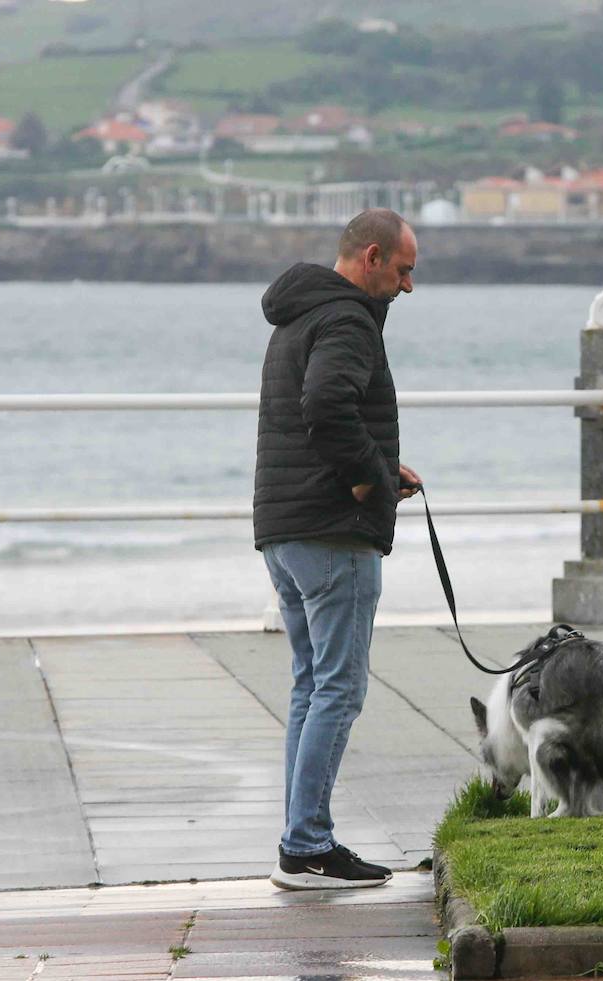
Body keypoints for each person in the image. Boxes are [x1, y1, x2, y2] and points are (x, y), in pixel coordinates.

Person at [253, 209, 421, 889]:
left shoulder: (300, 313)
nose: (408, 287)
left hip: (285, 528)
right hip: (331, 531)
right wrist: (365, 479)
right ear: (372, 255)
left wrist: (384, 468)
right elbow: (326, 406)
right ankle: (308, 846)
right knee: (339, 688)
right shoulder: (348, 318)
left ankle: (300, 842)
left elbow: (313, 414)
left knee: (310, 686)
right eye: (404, 270)